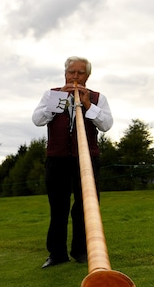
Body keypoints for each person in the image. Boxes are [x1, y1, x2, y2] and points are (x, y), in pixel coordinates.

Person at [32, 56, 113, 268]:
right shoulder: (51, 94)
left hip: (87, 159)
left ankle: (82, 251)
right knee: (58, 207)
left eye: (80, 73)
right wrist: (55, 104)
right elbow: (37, 120)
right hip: (57, 159)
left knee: (85, 206)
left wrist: (88, 105)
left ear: (87, 76)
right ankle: (56, 254)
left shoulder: (97, 97)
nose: (75, 77)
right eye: (71, 72)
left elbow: (106, 125)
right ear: (65, 73)